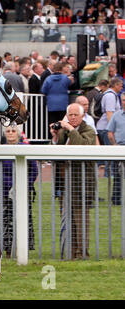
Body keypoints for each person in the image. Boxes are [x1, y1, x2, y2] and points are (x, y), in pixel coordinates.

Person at [50, 103, 96, 259]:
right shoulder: (64, 132)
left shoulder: (89, 130)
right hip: (65, 184)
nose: (73, 117)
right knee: (67, 219)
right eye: (70, 115)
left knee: (80, 220)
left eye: (76, 115)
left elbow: (83, 147)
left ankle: (82, 253)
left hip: (82, 184)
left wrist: (70, 129)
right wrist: (55, 136)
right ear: (66, 116)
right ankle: (70, 252)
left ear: (83, 116)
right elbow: (55, 153)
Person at [0, 125, 37, 258]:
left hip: (23, 192)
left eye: (13, 131)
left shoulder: (26, 148)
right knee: (4, 221)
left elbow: (33, 170)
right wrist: (13, 184)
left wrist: (23, 185)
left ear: (18, 134)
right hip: (4, 192)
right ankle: (6, 250)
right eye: (8, 131)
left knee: (23, 219)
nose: (11, 133)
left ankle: (22, 250)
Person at [41, 62, 72, 131]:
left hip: (52, 104)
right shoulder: (65, 78)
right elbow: (70, 85)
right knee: (63, 122)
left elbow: (43, 90)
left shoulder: (48, 79)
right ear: (61, 69)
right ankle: (61, 138)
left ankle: (53, 137)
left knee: (52, 123)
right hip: (63, 104)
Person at [106, 92, 125, 205]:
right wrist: (114, 146)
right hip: (119, 148)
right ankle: (116, 199)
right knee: (118, 175)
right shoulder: (116, 115)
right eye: (123, 100)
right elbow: (110, 133)